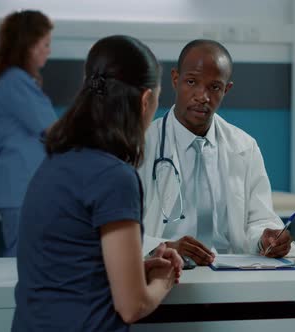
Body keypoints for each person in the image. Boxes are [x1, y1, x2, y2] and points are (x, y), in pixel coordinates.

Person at [12, 35, 184, 331]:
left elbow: (71, 271)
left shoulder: (55, 161)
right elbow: (133, 306)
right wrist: (162, 281)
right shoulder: (114, 177)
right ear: (145, 102)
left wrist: (135, 271)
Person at [138, 39, 295, 265]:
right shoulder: (142, 144)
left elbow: (260, 219)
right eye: (192, 81)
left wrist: (266, 238)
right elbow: (121, 234)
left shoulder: (244, 147)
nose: (202, 96)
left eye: (214, 87)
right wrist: (164, 247)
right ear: (176, 79)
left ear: (227, 89)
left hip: (228, 274)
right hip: (166, 272)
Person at [0, 10, 58, 256]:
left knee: (26, 256)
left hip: (24, 188)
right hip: (21, 188)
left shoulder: (16, 82)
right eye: (45, 44)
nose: (49, 50)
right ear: (29, 45)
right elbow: (54, 132)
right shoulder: (16, 82)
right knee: (22, 259)